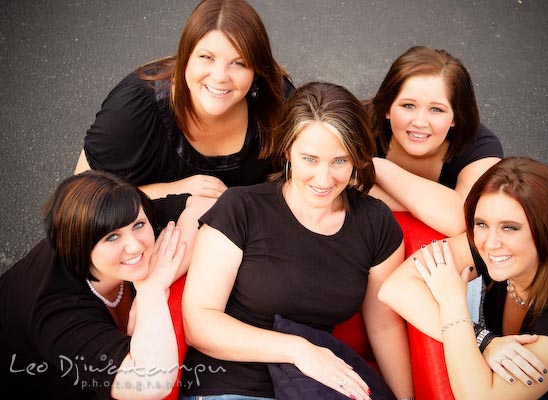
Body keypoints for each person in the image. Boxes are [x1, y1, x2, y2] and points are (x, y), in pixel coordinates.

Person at [180, 82, 413, 399]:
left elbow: (384, 327)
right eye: (310, 159)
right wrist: (298, 350)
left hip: (317, 388)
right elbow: (199, 323)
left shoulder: (375, 223)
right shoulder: (242, 208)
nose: (324, 179)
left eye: (340, 161)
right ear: (287, 149)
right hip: (232, 385)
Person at [379, 157, 548, 399]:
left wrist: (453, 302)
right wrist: (485, 341)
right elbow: (395, 288)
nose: (490, 243)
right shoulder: (495, 248)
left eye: (510, 228)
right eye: (481, 223)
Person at [75, 0, 294, 216]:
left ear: (256, 69)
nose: (219, 76)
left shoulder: (277, 100)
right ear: (185, 57)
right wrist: (174, 192)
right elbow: (79, 197)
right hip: (144, 237)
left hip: (242, 235)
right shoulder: (133, 109)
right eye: (206, 57)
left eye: (238, 63)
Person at [0, 170, 198, 399]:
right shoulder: (57, 309)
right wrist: (152, 289)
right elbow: (152, 383)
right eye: (112, 238)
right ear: (80, 244)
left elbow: (206, 205)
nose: (135, 246)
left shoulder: (121, 215)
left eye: (138, 225)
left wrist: (157, 280)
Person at [368, 45, 503, 236]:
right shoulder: (356, 124)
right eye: (408, 105)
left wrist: (373, 168)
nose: (420, 122)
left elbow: (461, 220)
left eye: (436, 109)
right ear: (387, 108)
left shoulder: (481, 150)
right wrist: (428, 206)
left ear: (456, 116)